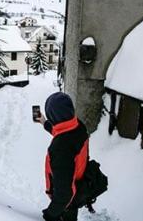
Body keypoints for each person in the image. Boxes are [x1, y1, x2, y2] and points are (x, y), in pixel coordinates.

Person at [35, 92, 90, 221]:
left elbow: (65, 194)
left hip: (67, 201)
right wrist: (45, 123)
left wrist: (50, 214)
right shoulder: (78, 126)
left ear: (54, 117)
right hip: (78, 183)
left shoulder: (61, 149)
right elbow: (63, 132)